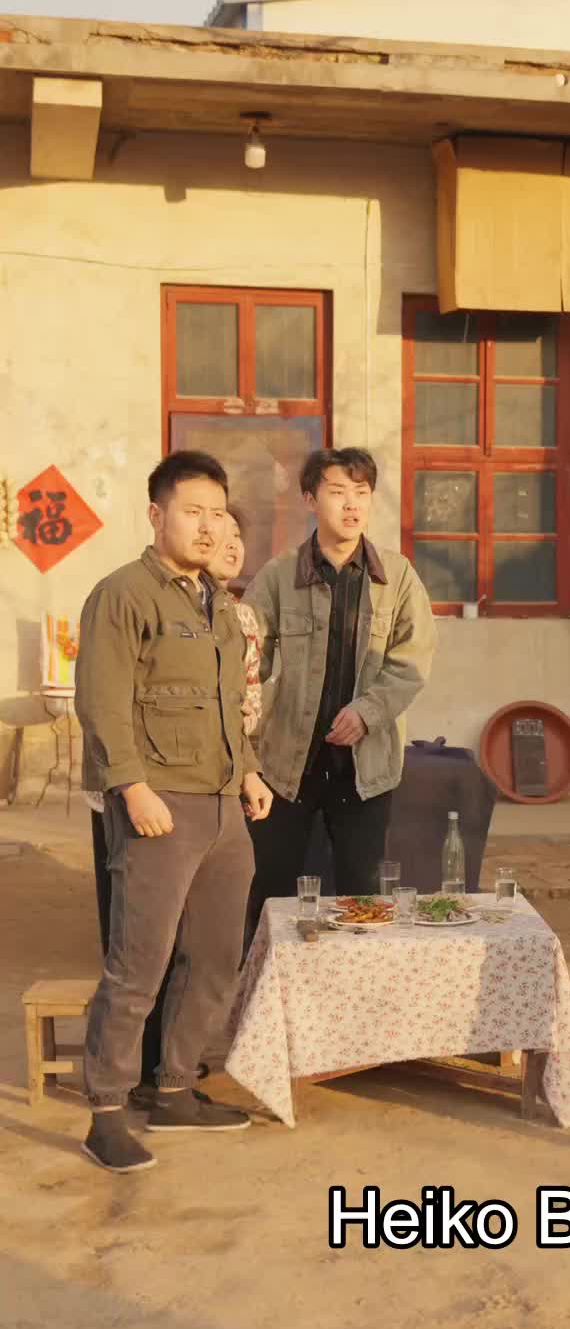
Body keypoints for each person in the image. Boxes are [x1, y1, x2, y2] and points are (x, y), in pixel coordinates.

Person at [75, 455, 274, 1174]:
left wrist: (248, 773)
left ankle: (176, 1088)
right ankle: (105, 1112)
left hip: (222, 805)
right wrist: (131, 789)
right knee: (139, 964)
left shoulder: (217, 602)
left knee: (216, 957)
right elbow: (101, 702)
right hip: (158, 804)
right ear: (157, 515)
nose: (208, 526)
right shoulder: (123, 595)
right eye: (193, 511)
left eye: (217, 513)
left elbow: (227, 705)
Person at [243, 446, 436, 935]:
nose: (352, 505)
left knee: (362, 896)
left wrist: (368, 712)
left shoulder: (397, 577)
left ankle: (358, 982)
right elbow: (246, 663)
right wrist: (246, 744)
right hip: (287, 763)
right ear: (311, 499)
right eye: (337, 492)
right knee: (271, 890)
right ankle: (263, 977)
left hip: (365, 767)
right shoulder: (279, 575)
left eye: (361, 493)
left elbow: (412, 660)